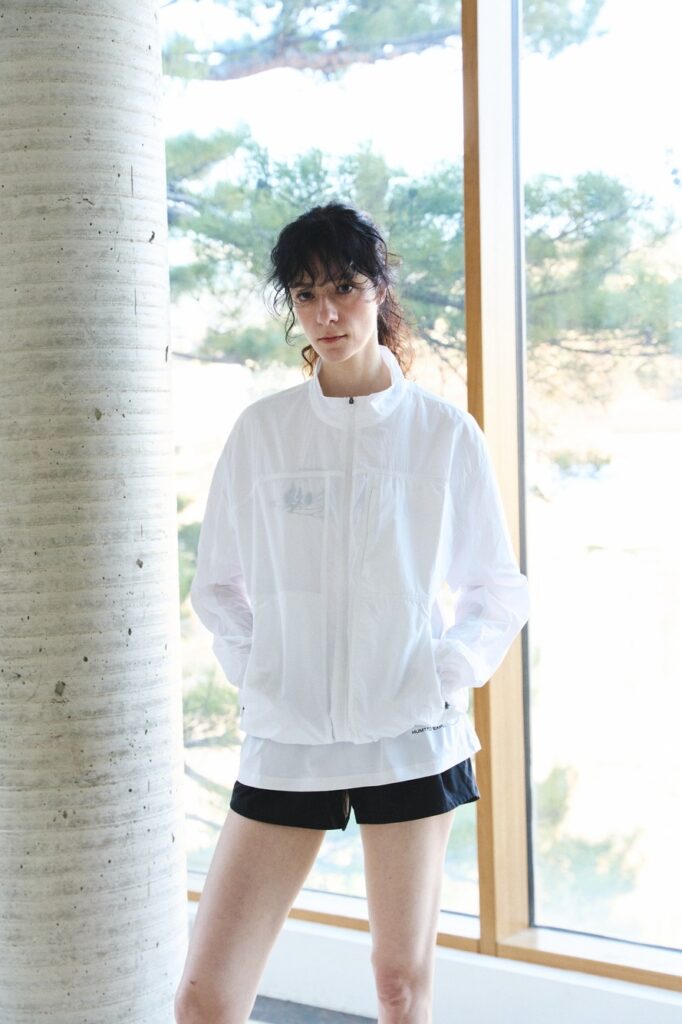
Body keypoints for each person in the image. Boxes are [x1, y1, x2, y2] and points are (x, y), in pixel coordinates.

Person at [174, 202, 530, 1024]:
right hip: (288, 738)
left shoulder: (443, 435)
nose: (326, 313)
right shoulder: (263, 434)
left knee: (399, 985)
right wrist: (263, 673)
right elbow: (218, 586)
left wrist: (442, 675)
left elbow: (495, 589)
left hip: (409, 736)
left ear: (379, 290)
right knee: (205, 997)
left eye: (343, 287)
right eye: (305, 295)